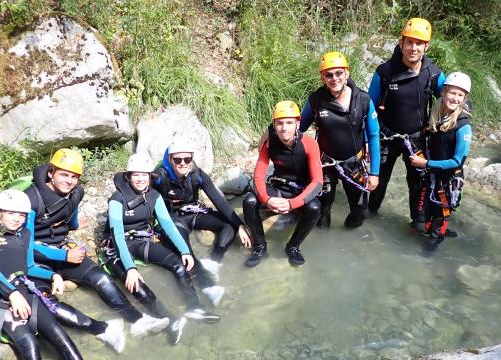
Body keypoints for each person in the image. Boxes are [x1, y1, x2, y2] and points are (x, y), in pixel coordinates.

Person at [24, 148, 168, 337]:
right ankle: (101, 330)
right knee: (48, 303)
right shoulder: (30, 199)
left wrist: (75, 225)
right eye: (64, 175)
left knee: (103, 279)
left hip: (62, 249)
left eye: (74, 177)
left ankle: (137, 321)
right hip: (37, 258)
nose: (69, 181)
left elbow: (70, 214)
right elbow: (24, 245)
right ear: (51, 173)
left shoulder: (76, 192)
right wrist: (65, 255)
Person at [0, 189, 124, 359]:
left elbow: (29, 267)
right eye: (11, 213)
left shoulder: (24, 233)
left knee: (59, 336)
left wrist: (54, 276)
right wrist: (12, 294)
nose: (17, 218)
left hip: (24, 290)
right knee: (30, 345)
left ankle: (103, 330)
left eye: (21, 215)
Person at [104, 153, 220, 341]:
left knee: (179, 265)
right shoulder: (117, 199)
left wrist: (184, 250)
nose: (141, 179)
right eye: (136, 175)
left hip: (143, 241)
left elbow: (167, 224)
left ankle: (194, 307)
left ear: (151, 176)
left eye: (145, 174)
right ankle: (169, 319)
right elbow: (116, 234)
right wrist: (130, 268)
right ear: (128, 176)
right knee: (135, 283)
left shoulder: (154, 196)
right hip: (119, 245)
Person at [367, 17, 446, 231]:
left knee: (417, 184)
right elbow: (369, 107)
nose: (413, 48)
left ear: (426, 46)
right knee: (379, 181)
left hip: (417, 138)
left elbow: (452, 101)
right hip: (386, 136)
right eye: (409, 42)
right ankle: (369, 218)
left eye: (418, 43)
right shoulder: (385, 72)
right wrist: (366, 140)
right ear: (401, 43)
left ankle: (417, 222)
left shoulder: (434, 74)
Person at [299, 51, 380, 229]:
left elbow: (374, 136)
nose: (334, 78)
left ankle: (349, 238)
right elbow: (298, 128)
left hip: (354, 163)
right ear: (322, 78)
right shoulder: (315, 101)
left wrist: (374, 173)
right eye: (329, 74)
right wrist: (272, 133)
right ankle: (325, 246)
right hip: (325, 164)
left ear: (347, 74)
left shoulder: (363, 100)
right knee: (322, 211)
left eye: (338, 73)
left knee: (361, 212)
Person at [153, 142, 251, 284]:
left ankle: (214, 263)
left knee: (229, 225)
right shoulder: (160, 176)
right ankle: (205, 282)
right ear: (169, 159)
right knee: (185, 250)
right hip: (173, 218)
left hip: (194, 212)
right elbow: (136, 184)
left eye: (187, 159)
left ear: (192, 158)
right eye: (177, 159)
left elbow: (219, 200)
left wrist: (240, 225)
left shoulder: (197, 175)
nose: (182, 163)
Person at [244, 100, 323, 267]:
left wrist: (292, 204)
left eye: (289, 123)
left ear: (297, 124)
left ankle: (293, 247)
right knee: (249, 201)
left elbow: (317, 182)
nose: (284, 128)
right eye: (279, 123)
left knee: (315, 208)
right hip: (278, 188)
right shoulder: (270, 143)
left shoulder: (309, 144)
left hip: (300, 190)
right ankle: (260, 246)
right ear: (273, 125)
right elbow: (258, 176)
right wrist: (267, 199)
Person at [409, 72, 472, 246]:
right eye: (452, 93)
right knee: (418, 222)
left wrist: (426, 163)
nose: (455, 98)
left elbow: (456, 162)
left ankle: (430, 257)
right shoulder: (437, 114)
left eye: (460, 95)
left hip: (447, 182)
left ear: (465, 98)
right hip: (431, 178)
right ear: (443, 92)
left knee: (436, 233)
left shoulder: (463, 127)